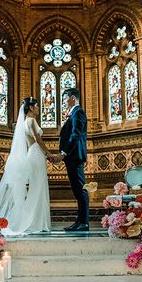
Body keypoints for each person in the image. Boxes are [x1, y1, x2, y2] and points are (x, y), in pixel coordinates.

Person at [0, 97, 51, 234]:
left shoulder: (25, 122)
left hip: (34, 153)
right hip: (36, 154)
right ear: (31, 107)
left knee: (37, 187)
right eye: (36, 106)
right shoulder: (30, 121)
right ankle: (32, 222)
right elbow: (37, 139)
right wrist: (48, 153)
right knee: (37, 188)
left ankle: (37, 221)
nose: (38, 108)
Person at [54, 88, 89, 231]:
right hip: (72, 157)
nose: (63, 101)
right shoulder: (73, 113)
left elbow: (75, 135)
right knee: (77, 190)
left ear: (72, 97)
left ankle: (84, 222)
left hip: (74, 156)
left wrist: (64, 152)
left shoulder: (78, 112)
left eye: (65, 98)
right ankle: (80, 221)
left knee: (80, 190)